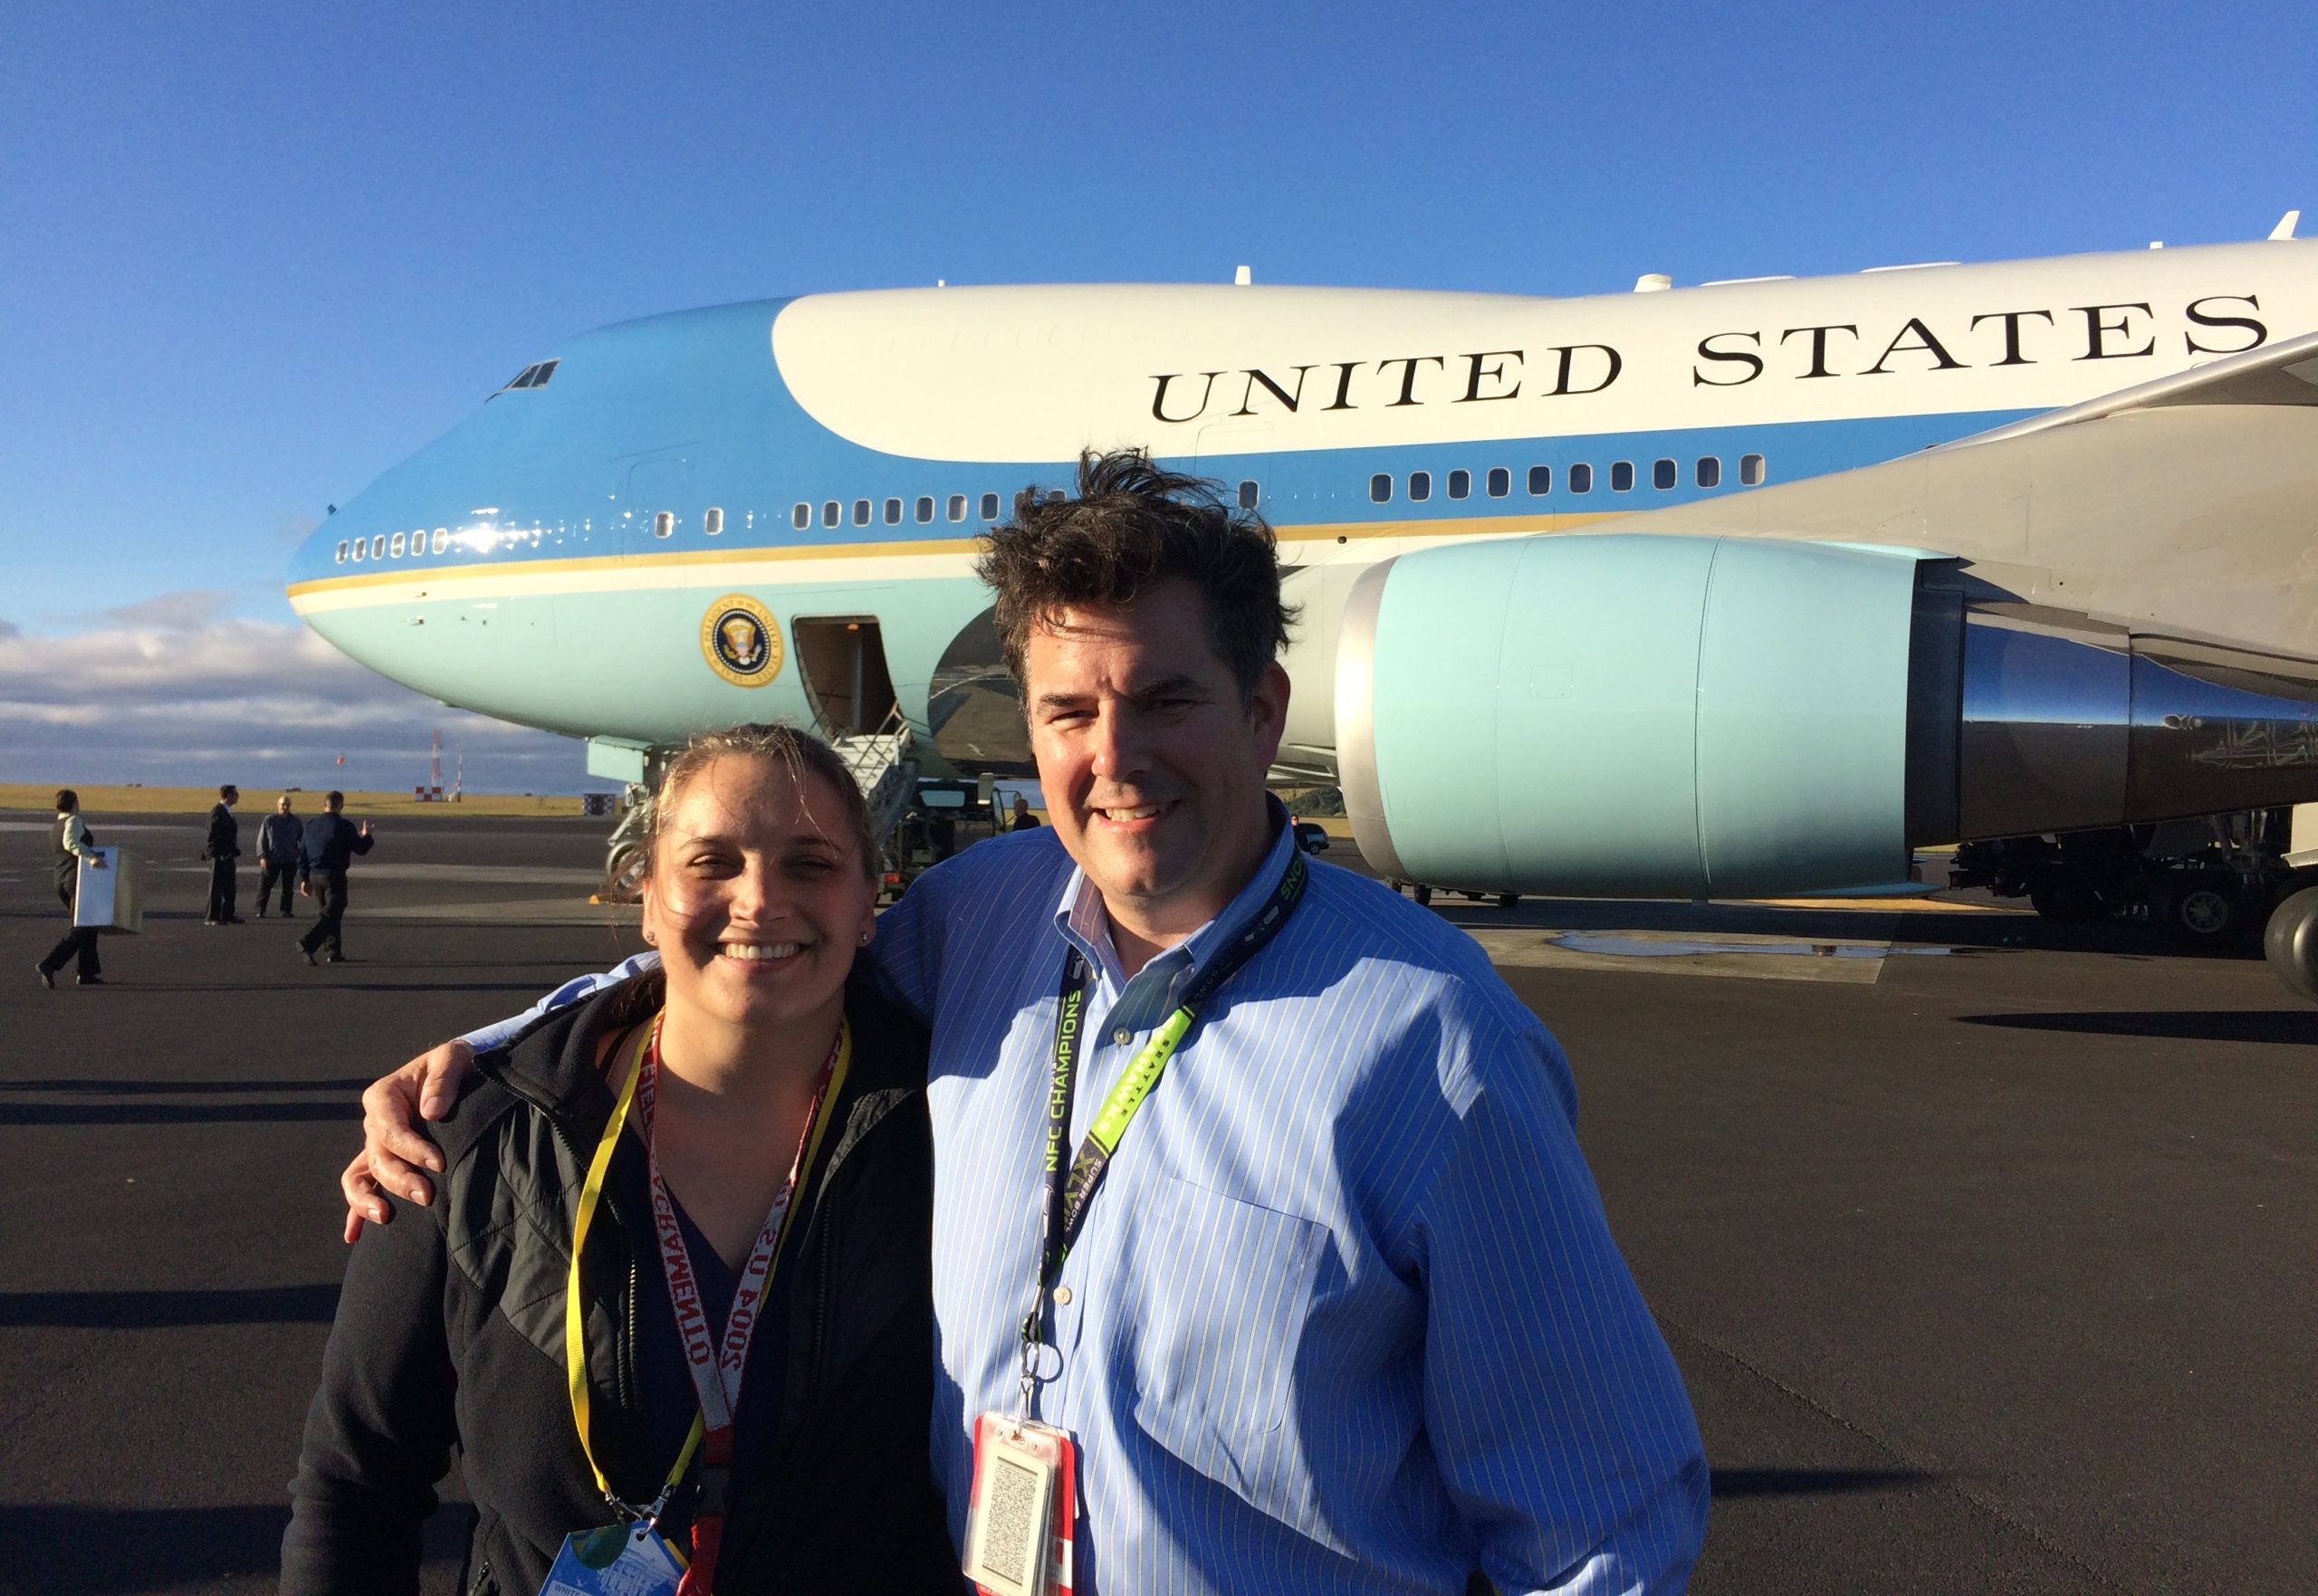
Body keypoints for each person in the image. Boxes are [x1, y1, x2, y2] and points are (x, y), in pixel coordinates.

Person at [346, 451, 1710, 1591]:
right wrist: (499, 1058)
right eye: (1069, 711)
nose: (1113, 758)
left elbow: (1601, 1525)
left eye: (1165, 698)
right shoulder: (983, 916)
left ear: (1263, 706)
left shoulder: (1436, 1039)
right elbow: (761, 957)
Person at [283, 724, 956, 1594]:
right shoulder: (470, 1144)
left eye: (811, 864)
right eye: (712, 863)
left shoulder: (951, 1138)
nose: (759, 899)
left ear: (872, 902)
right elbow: (355, 1485)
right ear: (646, 898)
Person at [36, 789, 107, 989]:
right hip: (75, 879)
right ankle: (49, 964)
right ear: (75, 803)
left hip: (60, 878)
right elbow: (71, 843)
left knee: (89, 924)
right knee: (82, 925)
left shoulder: (56, 825)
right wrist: (91, 857)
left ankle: (87, 972)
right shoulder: (73, 821)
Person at [296, 791, 373, 966]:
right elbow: (360, 849)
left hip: (315, 875)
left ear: (324, 804)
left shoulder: (311, 826)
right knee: (332, 911)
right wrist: (367, 835)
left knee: (329, 911)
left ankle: (333, 950)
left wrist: (304, 878)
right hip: (334, 875)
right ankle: (307, 942)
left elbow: (302, 854)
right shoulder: (344, 826)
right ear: (341, 806)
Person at [254, 794, 302, 918]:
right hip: (272, 859)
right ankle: (260, 909)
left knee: (288, 887)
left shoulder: (295, 822)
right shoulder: (269, 820)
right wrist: (262, 856)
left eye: (287, 805)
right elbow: (261, 839)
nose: (285, 807)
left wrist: (299, 856)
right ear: (278, 805)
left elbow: (302, 840)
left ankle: (286, 910)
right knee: (265, 886)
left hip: (289, 859)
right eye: (283, 804)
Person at [203, 783, 243, 924]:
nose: (238, 797)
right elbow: (212, 836)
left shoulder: (228, 811)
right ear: (229, 796)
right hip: (218, 856)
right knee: (216, 887)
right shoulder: (217, 813)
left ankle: (228, 914)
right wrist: (214, 855)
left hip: (228, 855)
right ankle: (212, 917)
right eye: (236, 794)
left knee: (230, 887)